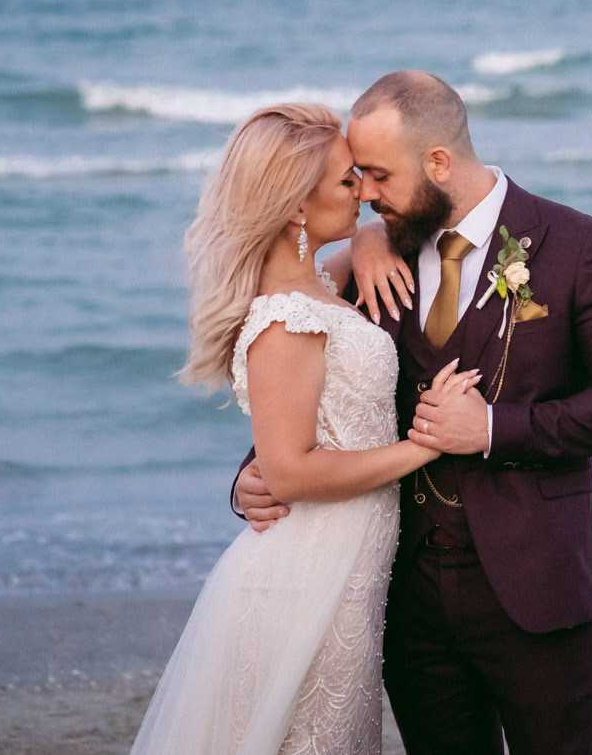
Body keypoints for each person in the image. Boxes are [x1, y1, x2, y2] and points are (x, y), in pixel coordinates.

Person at [234, 70, 592, 755]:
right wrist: (256, 473)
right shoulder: (377, 251)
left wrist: (491, 427)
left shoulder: (580, 245)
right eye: (357, 178)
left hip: (538, 584)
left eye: (376, 174)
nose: (366, 195)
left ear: (438, 161)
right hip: (404, 594)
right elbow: (319, 378)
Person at [132, 102, 482, 754]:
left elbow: (365, 245)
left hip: (347, 571)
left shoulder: (321, 281)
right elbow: (290, 469)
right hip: (305, 573)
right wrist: (423, 445)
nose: (366, 193)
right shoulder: (287, 318)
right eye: (349, 182)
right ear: (297, 204)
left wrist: (374, 236)